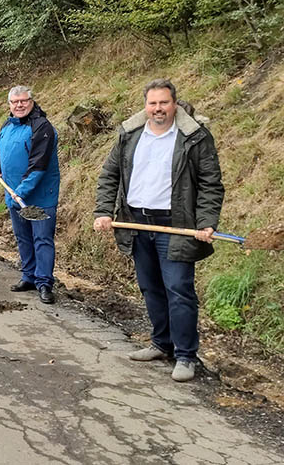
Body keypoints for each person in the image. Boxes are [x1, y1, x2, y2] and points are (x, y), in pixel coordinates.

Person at [94, 79, 224, 382]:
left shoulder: (193, 137)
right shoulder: (130, 135)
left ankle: (186, 356)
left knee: (178, 289)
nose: (158, 109)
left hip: (175, 225)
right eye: (152, 103)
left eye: (164, 103)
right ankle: (161, 344)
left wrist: (206, 221)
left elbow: (210, 184)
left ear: (174, 103)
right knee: (150, 287)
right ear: (146, 106)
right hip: (136, 222)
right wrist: (103, 211)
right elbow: (109, 174)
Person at [0, 86, 60, 304]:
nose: (19, 105)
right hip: (14, 195)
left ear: (32, 101)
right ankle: (28, 276)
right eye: (15, 102)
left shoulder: (42, 127)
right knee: (23, 238)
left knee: (42, 239)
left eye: (23, 101)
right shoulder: (7, 125)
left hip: (39, 196)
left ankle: (44, 283)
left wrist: (19, 193)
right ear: (9, 104)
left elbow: (38, 166)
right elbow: (4, 152)